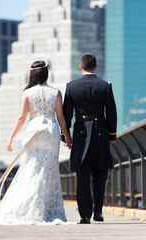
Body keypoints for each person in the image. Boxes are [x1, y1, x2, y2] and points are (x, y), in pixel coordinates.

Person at [0, 60, 73, 225]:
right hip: (51, 131)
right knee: (49, 170)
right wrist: (67, 138)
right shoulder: (56, 93)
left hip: (33, 131)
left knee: (32, 169)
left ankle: (32, 208)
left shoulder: (27, 93)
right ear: (46, 73)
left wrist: (11, 137)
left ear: (32, 74)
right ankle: (47, 210)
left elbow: (21, 118)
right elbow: (60, 118)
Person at [62, 53, 117, 224]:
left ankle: (85, 215)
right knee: (100, 173)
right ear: (96, 67)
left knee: (82, 174)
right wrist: (112, 135)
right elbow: (112, 113)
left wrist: (66, 136)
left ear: (80, 67)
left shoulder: (71, 87)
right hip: (100, 132)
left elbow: (66, 115)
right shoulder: (105, 86)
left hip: (80, 134)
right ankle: (98, 212)